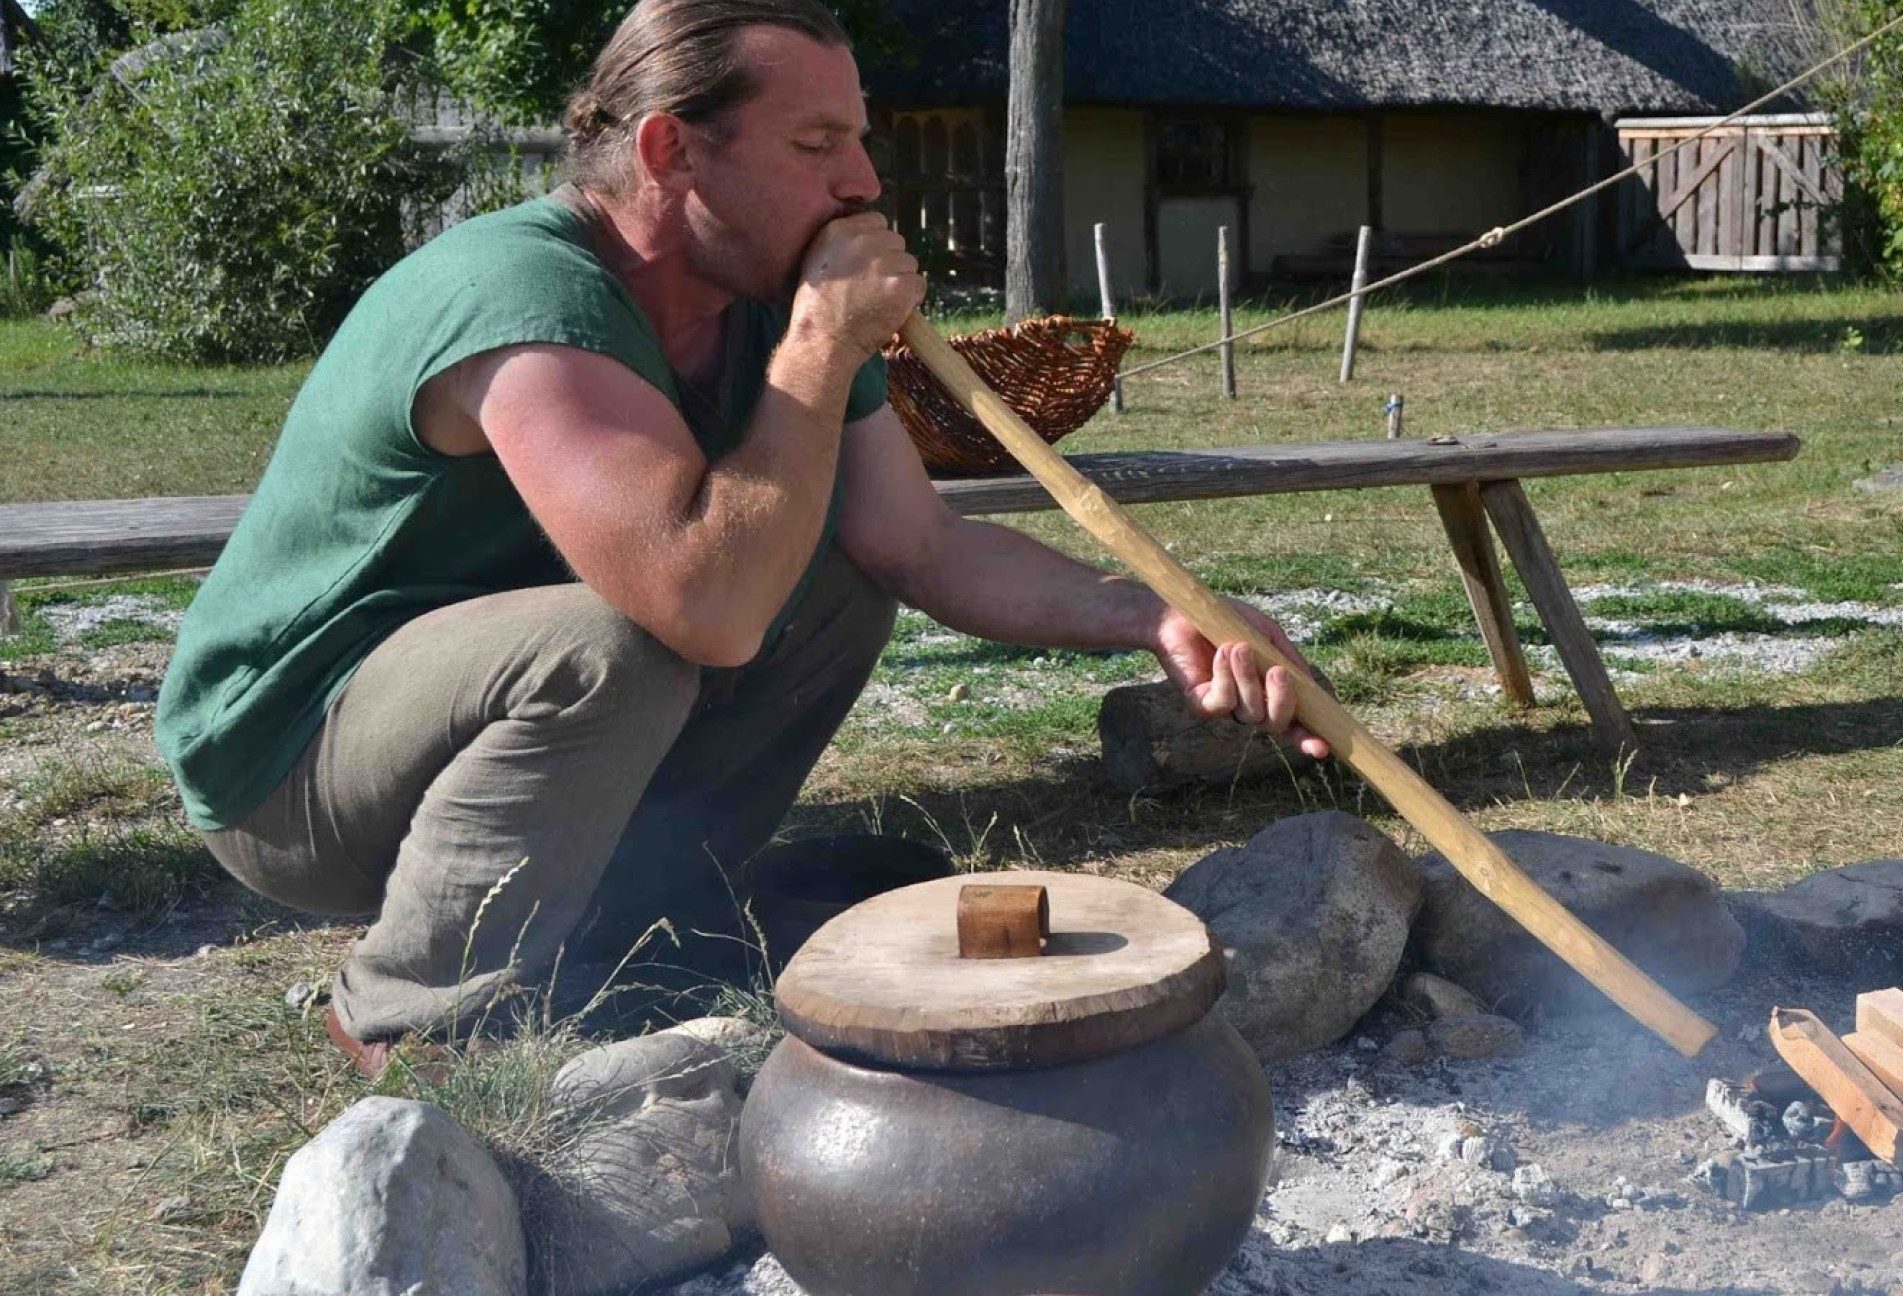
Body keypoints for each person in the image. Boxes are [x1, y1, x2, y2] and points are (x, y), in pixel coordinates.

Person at [154, 0, 1327, 1075]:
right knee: (631, 635)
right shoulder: (523, 299)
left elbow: (917, 547)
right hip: (290, 763)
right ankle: (407, 1015)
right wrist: (820, 348)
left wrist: (1154, 617)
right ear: (670, 150)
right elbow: (696, 604)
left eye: (859, 142)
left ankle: (635, 920)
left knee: (836, 581)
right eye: (815, 146)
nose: (863, 183)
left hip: (473, 737)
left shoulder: (761, 299)